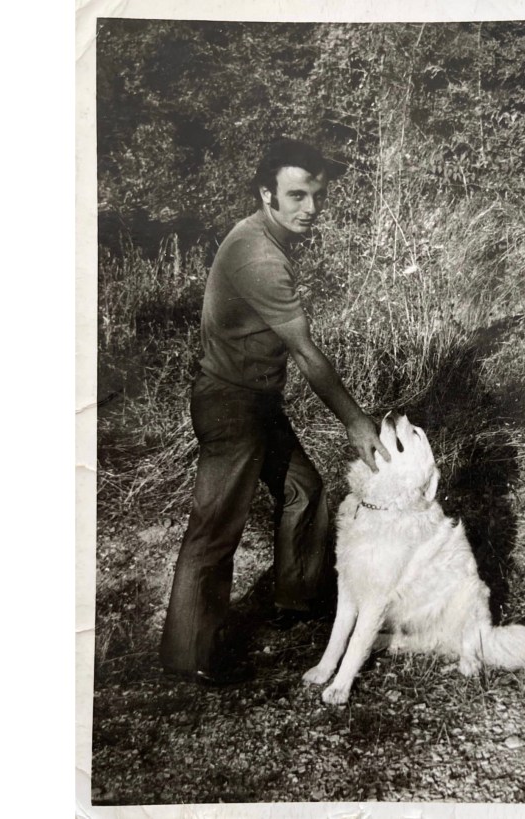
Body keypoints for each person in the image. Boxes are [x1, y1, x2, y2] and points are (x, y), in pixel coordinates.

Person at [160, 138, 390, 686]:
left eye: (316, 195)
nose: (309, 208)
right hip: (231, 405)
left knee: (304, 490)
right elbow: (305, 353)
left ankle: (296, 599)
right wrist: (356, 421)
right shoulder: (259, 256)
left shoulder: (266, 237)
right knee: (216, 529)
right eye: (296, 195)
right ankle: (188, 656)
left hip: (256, 400)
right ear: (267, 194)